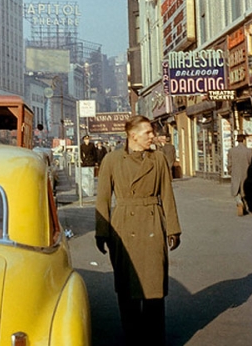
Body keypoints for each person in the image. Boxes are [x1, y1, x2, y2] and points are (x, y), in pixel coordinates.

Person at [95, 115, 181, 346]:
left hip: (152, 222)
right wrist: (101, 232)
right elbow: (102, 198)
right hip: (123, 227)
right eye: (147, 133)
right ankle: (132, 336)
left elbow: (167, 195)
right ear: (132, 135)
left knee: (153, 287)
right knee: (127, 288)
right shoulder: (112, 160)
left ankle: (155, 339)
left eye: (152, 133)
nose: (153, 137)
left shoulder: (159, 159)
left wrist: (173, 228)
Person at [228, 134, 252, 216]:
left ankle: (239, 202)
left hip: (235, 173)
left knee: (236, 190)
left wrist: (230, 171)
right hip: (246, 174)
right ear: (244, 140)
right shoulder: (249, 151)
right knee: (245, 191)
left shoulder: (231, 151)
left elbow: (229, 164)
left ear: (237, 141)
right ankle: (245, 205)